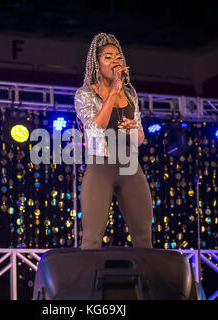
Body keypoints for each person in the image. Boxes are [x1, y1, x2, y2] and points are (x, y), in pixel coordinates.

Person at [74, 32, 153, 249]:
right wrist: (113, 92)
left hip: (129, 165)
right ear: (97, 64)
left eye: (118, 57)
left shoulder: (130, 94)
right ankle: (87, 283)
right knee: (91, 239)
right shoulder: (85, 94)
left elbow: (140, 139)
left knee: (144, 238)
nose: (115, 61)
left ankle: (145, 282)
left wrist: (132, 130)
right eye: (108, 57)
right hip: (101, 165)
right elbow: (95, 126)